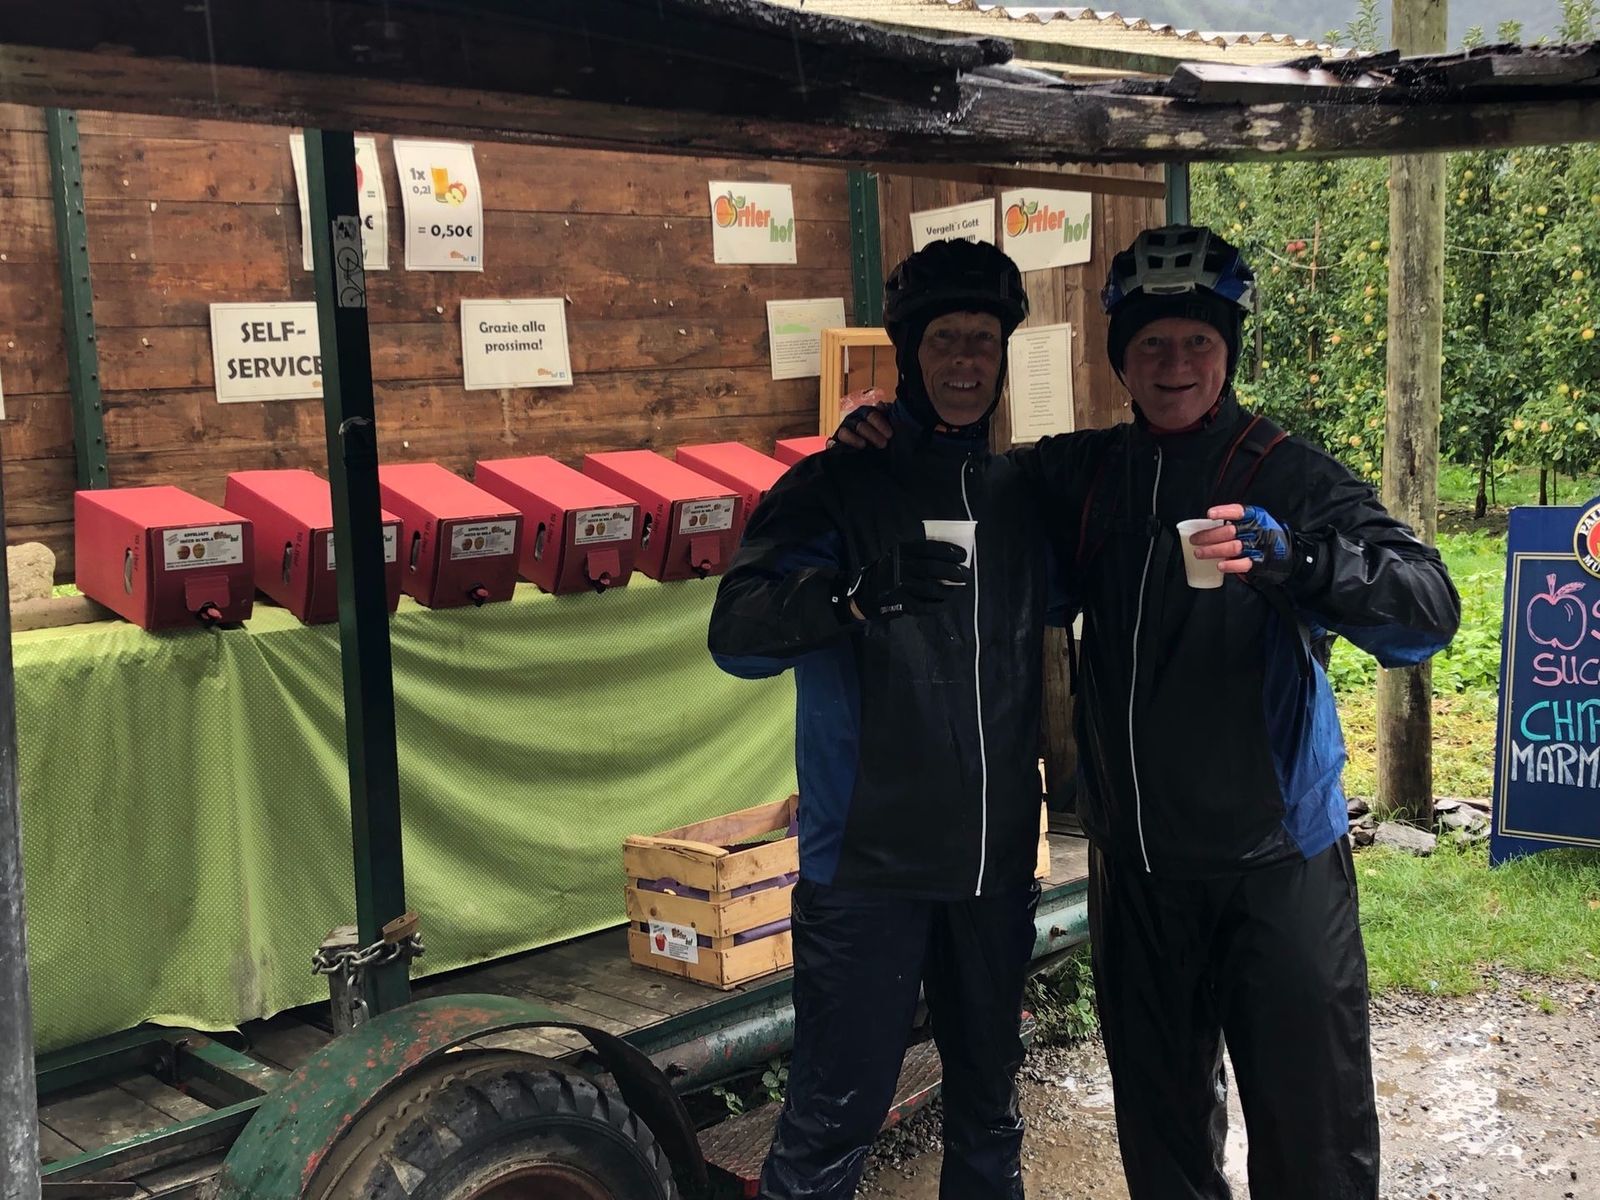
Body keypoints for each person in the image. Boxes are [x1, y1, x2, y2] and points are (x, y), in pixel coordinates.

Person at [834, 225, 1462, 1200]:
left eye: (1197, 342)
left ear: (1228, 351)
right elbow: (965, 480)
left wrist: (1302, 562)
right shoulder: (1086, 474)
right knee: (1164, 1152)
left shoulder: (1285, 474)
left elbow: (1427, 610)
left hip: (1276, 871)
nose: (1175, 365)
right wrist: (885, 434)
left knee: (1315, 1148)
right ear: (1120, 360)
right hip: (1139, 875)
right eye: (1152, 344)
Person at [707, 238, 1062, 1200]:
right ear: (909, 353)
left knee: (989, 1109)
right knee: (833, 1120)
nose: (965, 361)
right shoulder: (835, 485)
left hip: (990, 866)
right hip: (866, 868)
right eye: (945, 339)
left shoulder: (1022, 494)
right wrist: (850, 596)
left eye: (983, 340)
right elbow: (735, 635)